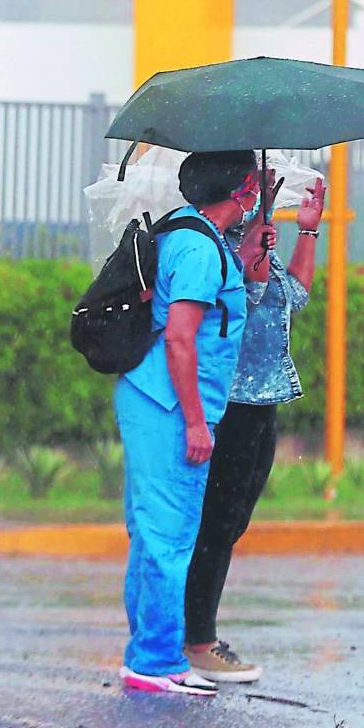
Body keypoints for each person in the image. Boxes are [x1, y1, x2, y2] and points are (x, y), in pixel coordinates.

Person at [115, 150, 273, 696]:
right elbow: (181, 339)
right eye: (253, 186)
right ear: (242, 190)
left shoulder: (190, 235)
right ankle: (154, 664)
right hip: (168, 405)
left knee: (152, 533)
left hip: (152, 398)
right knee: (167, 536)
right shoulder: (199, 248)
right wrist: (196, 423)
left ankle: (148, 656)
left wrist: (249, 251)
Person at [183, 176, 326, 683]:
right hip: (234, 402)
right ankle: (196, 639)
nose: (261, 190)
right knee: (216, 524)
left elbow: (295, 295)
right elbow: (255, 286)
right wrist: (263, 219)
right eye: (252, 185)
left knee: (232, 522)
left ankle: (192, 633)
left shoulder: (255, 235)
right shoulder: (216, 244)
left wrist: (307, 232)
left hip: (264, 398)